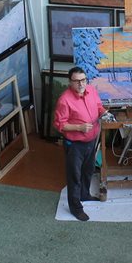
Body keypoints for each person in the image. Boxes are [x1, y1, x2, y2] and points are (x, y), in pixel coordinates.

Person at [53, 66, 108, 221]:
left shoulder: (91, 90)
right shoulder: (64, 100)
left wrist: (104, 113)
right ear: (70, 82)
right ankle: (76, 208)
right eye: (77, 81)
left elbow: (98, 106)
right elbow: (59, 124)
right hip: (75, 145)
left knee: (88, 171)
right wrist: (79, 127)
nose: (81, 84)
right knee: (74, 176)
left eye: (83, 80)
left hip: (91, 141)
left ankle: (85, 195)